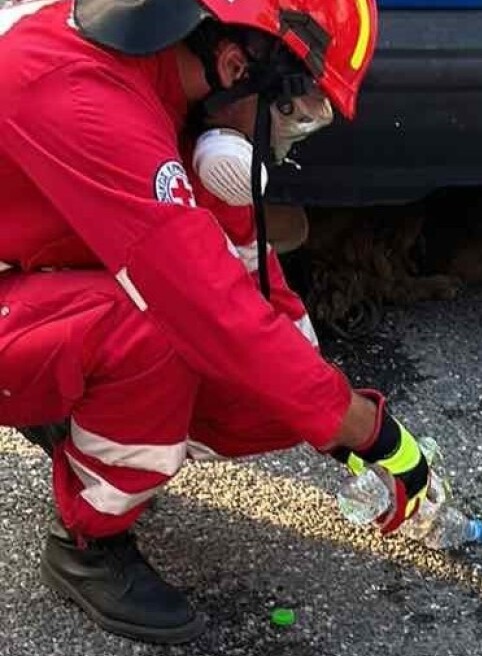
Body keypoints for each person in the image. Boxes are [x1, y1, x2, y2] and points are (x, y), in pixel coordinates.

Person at [0, 0, 431, 644]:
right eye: (295, 111)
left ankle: (76, 413)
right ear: (236, 64)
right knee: (153, 325)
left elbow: (246, 279)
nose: (290, 136)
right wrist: (370, 432)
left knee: (269, 395)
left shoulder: (164, 82)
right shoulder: (83, 95)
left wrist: (330, 414)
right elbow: (204, 305)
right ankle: (88, 539)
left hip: (28, 271)